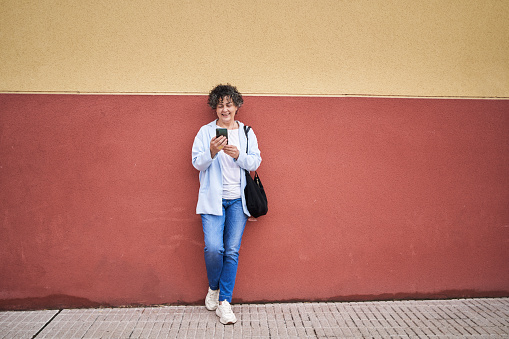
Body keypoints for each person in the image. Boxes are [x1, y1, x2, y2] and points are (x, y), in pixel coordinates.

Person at [191, 84, 262, 325]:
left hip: (237, 201)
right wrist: (211, 151)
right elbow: (196, 164)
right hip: (213, 199)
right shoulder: (205, 132)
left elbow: (254, 162)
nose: (225, 109)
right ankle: (214, 287)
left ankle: (224, 302)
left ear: (237, 106)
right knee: (213, 248)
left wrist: (237, 155)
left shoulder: (247, 132)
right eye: (220, 105)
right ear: (215, 107)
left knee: (231, 251)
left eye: (229, 104)